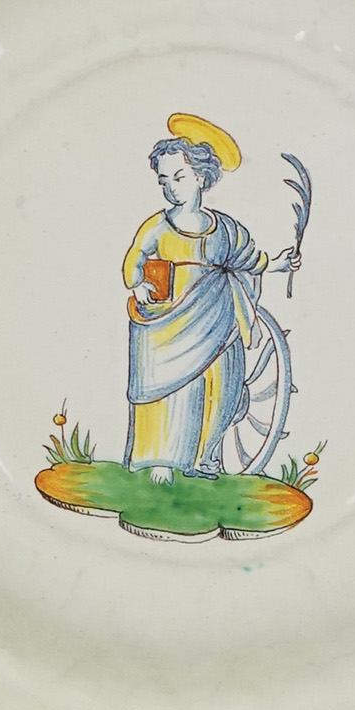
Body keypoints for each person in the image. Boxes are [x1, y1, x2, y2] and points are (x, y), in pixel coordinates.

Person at [122, 133, 300, 482]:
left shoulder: (226, 228)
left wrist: (277, 264)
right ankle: (163, 460)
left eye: (179, 177)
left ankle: (205, 458)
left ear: (201, 178)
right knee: (173, 391)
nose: (171, 188)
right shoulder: (159, 226)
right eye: (163, 180)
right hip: (170, 324)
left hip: (219, 318)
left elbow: (250, 258)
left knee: (220, 387)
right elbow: (135, 257)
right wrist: (137, 283)